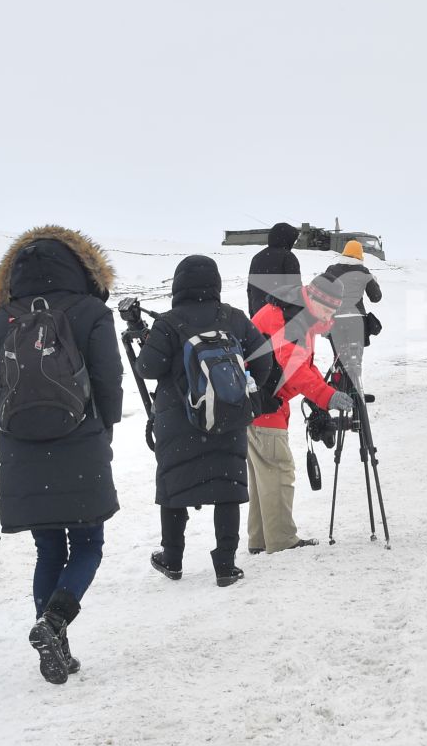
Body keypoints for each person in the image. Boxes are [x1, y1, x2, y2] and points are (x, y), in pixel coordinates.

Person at [0, 226, 124, 685]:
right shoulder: (90, 311)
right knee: (88, 544)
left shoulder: (3, 321)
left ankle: (54, 644)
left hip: (20, 446)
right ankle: (54, 623)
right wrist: (104, 428)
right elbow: (109, 381)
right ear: (79, 267)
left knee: (48, 546)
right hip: (81, 437)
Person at [133, 255, 282, 586]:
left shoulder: (169, 323)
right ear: (213, 283)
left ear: (178, 285)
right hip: (226, 415)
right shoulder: (234, 318)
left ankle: (172, 558)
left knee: (174, 487)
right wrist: (245, 394)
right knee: (227, 487)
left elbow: (147, 369)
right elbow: (264, 358)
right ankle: (226, 565)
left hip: (178, 420)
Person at [246, 261, 355, 558]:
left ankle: (260, 539)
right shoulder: (292, 318)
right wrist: (326, 396)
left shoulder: (297, 312)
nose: (331, 317)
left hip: (260, 401)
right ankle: (280, 540)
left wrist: (323, 393)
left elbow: (302, 366)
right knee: (278, 468)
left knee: (262, 473)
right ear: (316, 301)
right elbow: (294, 370)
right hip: (264, 404)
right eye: (329, 311)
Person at [310, 240, 382, 392]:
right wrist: (373, 282)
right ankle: (356, 392)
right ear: (360, 256)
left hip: (335, 320)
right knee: (355, 359)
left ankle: (339, 385)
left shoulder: (331, 270)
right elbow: (376, 297)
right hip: (357, 321)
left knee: (339, 356)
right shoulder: (364, 272)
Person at [246, 222, 303, 316]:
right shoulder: (288, 257)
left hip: (260, 316)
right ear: (288, 239)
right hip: (281, 318)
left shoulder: (257, 258)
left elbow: (250, 291)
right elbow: (295, 290)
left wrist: (253, 317)